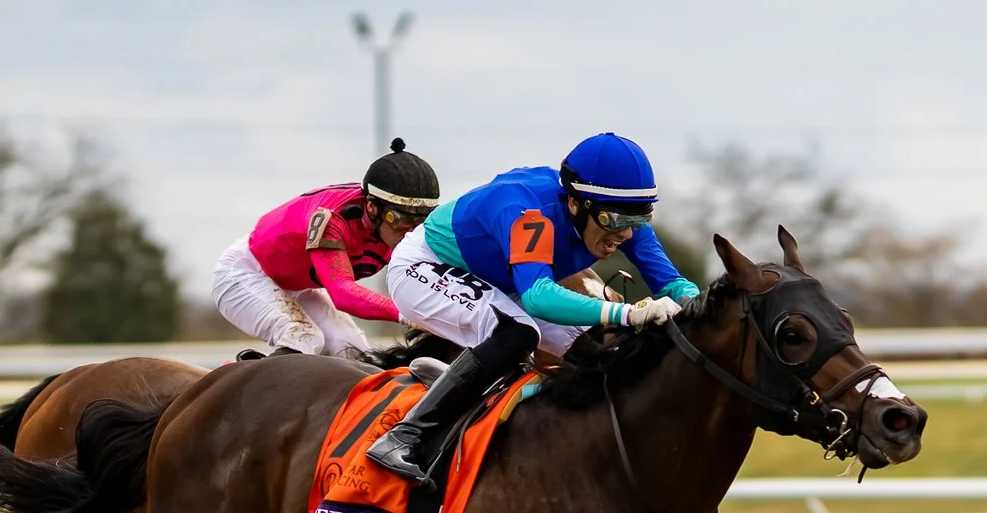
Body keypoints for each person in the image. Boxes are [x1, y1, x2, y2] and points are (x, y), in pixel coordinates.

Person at [367, 132, 699, 482]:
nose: (626, 235)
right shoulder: (529, 212)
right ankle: (403, 436)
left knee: (598, 350)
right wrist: (628, 313)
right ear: (575, 203)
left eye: (638, 220)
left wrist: (703, 307)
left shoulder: (617, 215)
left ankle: (475, 392)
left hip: (498, 280)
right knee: (519, 333)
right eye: (616, 221)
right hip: (423, 267)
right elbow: (537, 296)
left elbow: (674, 285)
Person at [211, 139, 441, 361]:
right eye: (401, 218)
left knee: (352, 351)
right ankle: (245, 391)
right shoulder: (332, 219)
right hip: (245, 273)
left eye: (422, 219)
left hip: (300, 287)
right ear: (372, 207)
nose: (412, 231)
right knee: (305, 338)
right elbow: (342, 293)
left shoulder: (401, 227)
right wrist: (406, 314)